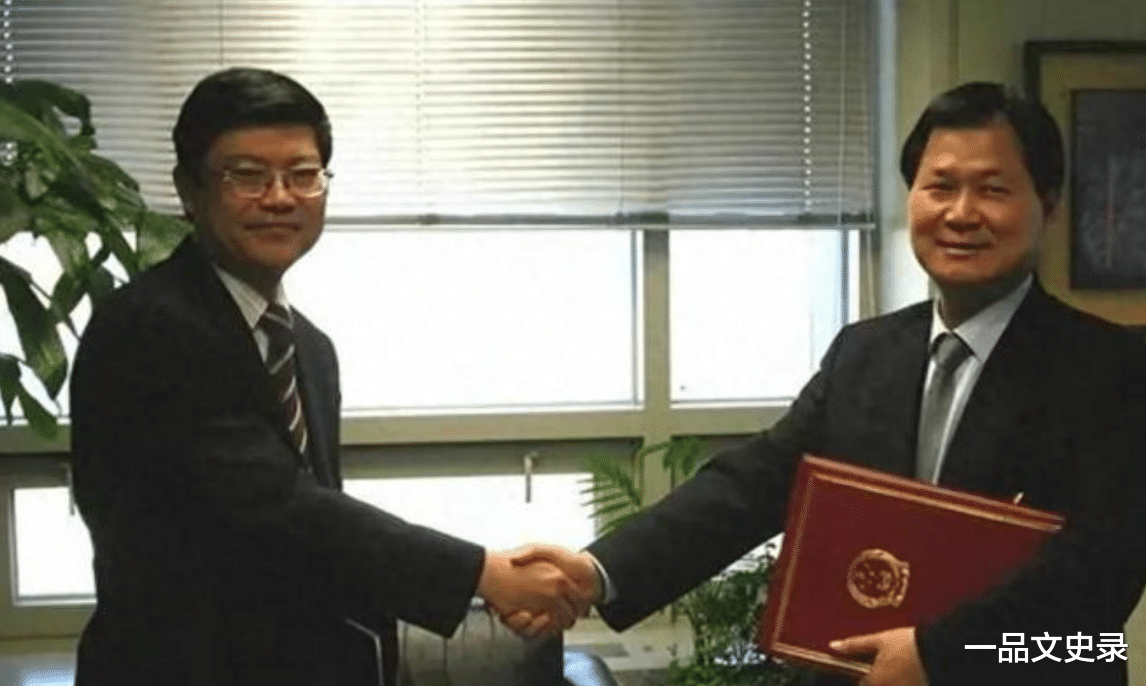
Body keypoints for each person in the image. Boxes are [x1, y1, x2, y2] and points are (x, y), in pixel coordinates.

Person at [510, 82, 1146, 686]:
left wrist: (940, 656)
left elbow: (1103, 585)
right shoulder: (864, 353)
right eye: (940, 186)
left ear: (1049, 205)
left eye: (993, 190)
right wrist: (597, 571)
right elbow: (752, 486)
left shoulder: (1112, 368)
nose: (960, 213)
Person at [69, 67, 578, 686]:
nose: (280, 197)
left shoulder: (309, 348)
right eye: (247, 175)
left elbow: (324, 534)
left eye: (303, 174)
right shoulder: (150, 327)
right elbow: (280, 510)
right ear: (189, 190)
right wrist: (484, 575)